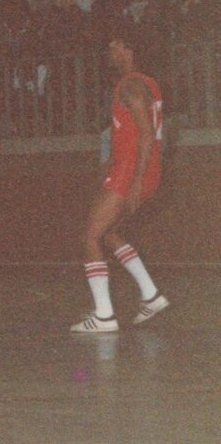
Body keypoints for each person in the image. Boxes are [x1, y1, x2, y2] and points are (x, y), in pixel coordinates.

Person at [71, 28, 169, 332]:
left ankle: (104, 316)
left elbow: (147, 134)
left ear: (128, 50)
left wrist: (136, 179)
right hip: (142, 171)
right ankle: (151, 295)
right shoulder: (148, 83)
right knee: (110, 233)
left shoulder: (130, 86)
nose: (109, 53)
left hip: (129, 172)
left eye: (114, 47)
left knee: (90, 237)